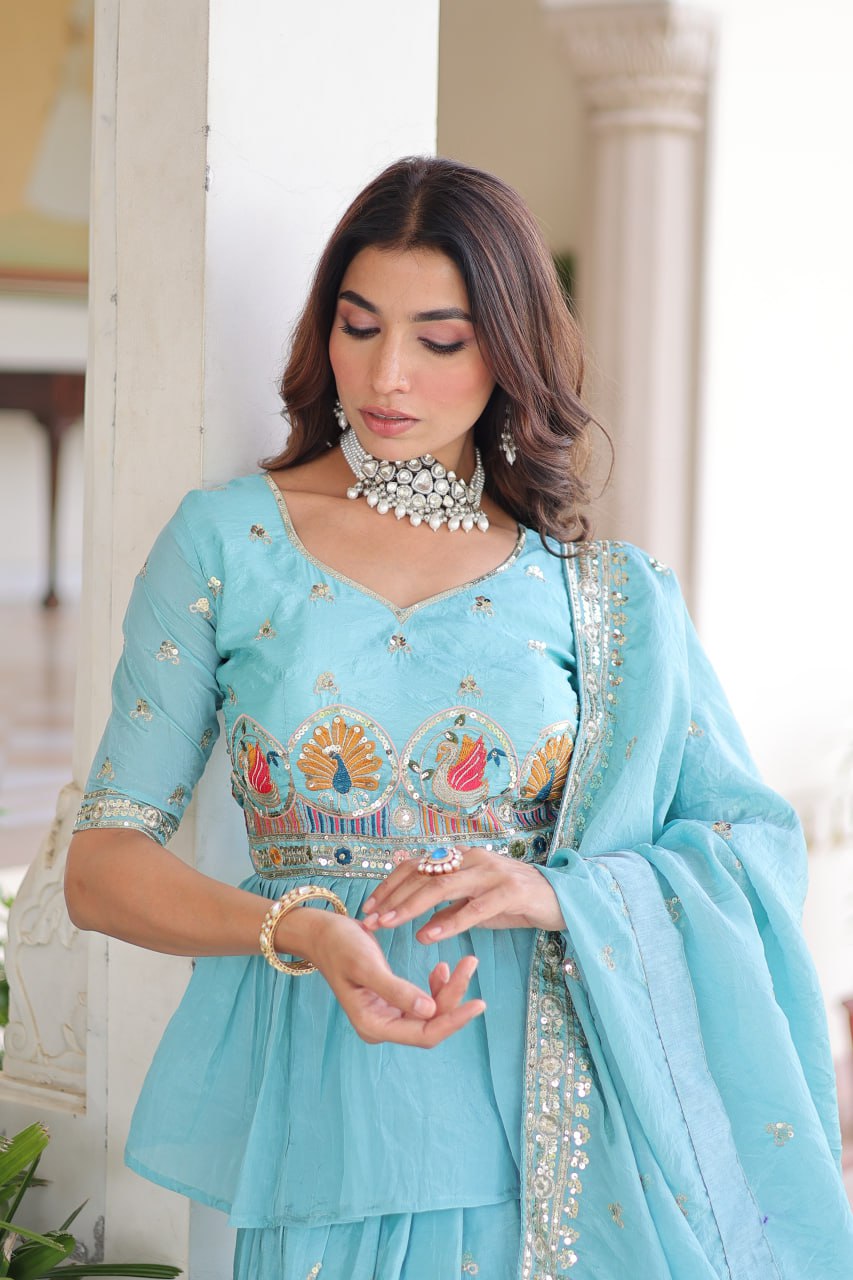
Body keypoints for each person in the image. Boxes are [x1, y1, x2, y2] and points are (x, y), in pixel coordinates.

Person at [64, 156, 853, 1280]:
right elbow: (100, 868)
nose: (386, 374)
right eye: (358, 325)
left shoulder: (601, 595)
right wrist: (301, 926)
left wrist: (557, 891)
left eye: (439, 340)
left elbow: (748, 842)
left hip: (562, 1128)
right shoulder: (229, 542)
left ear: (508, 352)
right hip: (333, 1099)